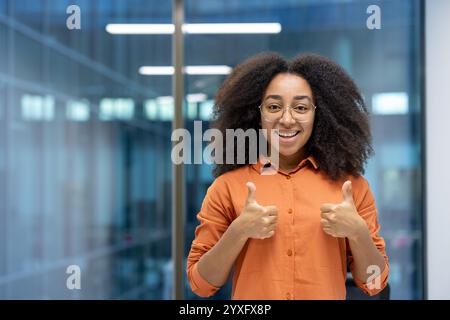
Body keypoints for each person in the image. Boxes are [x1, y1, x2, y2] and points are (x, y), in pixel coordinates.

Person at [186, 53, 389, 300]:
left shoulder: (352, 188)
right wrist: (238, 232)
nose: (287, 119)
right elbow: (200, 284)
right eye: (274, 106)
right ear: (256, 113)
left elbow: (375, 283)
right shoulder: (227, 187)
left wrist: (358, 233)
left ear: (320, 114)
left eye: (301, 107)